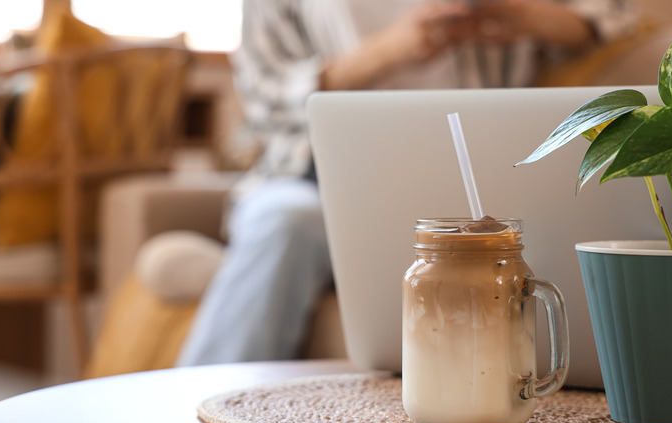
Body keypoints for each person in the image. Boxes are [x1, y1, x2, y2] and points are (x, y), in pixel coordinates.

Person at [175, 0, 634, 366]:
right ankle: (194, 414)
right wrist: (393, 49)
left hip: (477, 176)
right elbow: (264, 94)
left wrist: (524, 15)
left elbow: (610, 14)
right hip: (316, 179)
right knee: (284, 220)